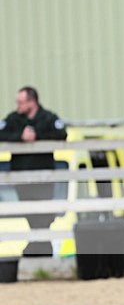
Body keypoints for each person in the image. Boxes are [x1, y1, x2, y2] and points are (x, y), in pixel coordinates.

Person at [0, 86, 67, 255]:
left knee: (43, 214)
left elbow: (62, 134)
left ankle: (39, 248)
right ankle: (39, 247)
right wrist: (19, 137)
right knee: (30, 213)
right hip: (21, 178)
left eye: (21, 102)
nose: (18, 106)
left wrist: (37, 136)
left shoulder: (48, 118)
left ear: (32, 102)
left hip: (43, 179)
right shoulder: (13, 119)